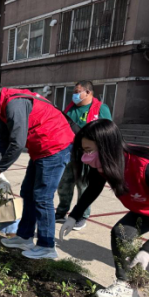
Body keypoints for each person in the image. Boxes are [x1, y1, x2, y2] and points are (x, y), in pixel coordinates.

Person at [0, 77, 75, 260]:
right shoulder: (4, 104)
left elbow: (17, 143)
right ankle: (24, 237)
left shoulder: (13, 105)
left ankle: (47, 246)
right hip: (41, 148)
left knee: (43, 197)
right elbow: (2, 139)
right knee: (27, 192)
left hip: (54, 146)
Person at [60, 120, 149, 297]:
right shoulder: (105, 163)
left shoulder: (146, 166)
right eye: (84, 151)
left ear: (106, 146)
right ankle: (125, 285)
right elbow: (93, 188)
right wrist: (74, 215)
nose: (85, 157)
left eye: (89, 150)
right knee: (121, 232)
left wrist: (148, 250)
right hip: (147, 208)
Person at [56, 80, 114, 231]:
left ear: (88, 92)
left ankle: (82, 215)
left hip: (89, 153)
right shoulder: (70, 108)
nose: (74, 95)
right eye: (74, 92)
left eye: (77, 92)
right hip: (69, 151)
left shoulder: (101, 108)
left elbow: (107, 130)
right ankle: (62, 211)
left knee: (84, 185)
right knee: (64, 184)